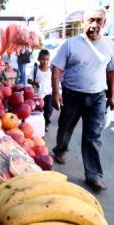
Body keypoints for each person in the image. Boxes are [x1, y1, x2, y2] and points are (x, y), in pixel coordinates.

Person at [51, 8, 114, 191]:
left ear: (104, 23)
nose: (95, 25)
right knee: (65, 126)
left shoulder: (109, 45)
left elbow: (111, 72)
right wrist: (56, 93)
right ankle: (61, 149)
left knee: (93, 135)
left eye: (99, 21)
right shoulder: (70, 44)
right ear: (83, 22)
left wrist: (112, 95)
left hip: (98, 97)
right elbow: (57, 70)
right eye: (91, 20)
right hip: (72, 95)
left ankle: (93, 175)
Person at [28, 49, 53, 132]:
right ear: (38, 59)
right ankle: (38, 124)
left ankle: (46, 123)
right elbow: (29, 80)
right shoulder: (35, 69)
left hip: (48, 93)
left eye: (47, 60)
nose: (45, 62)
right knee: (38, 110)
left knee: (48, 109)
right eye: (43, 59)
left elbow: (55, 80)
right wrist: (35, 83)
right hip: (38, 94)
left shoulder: (51, 70)